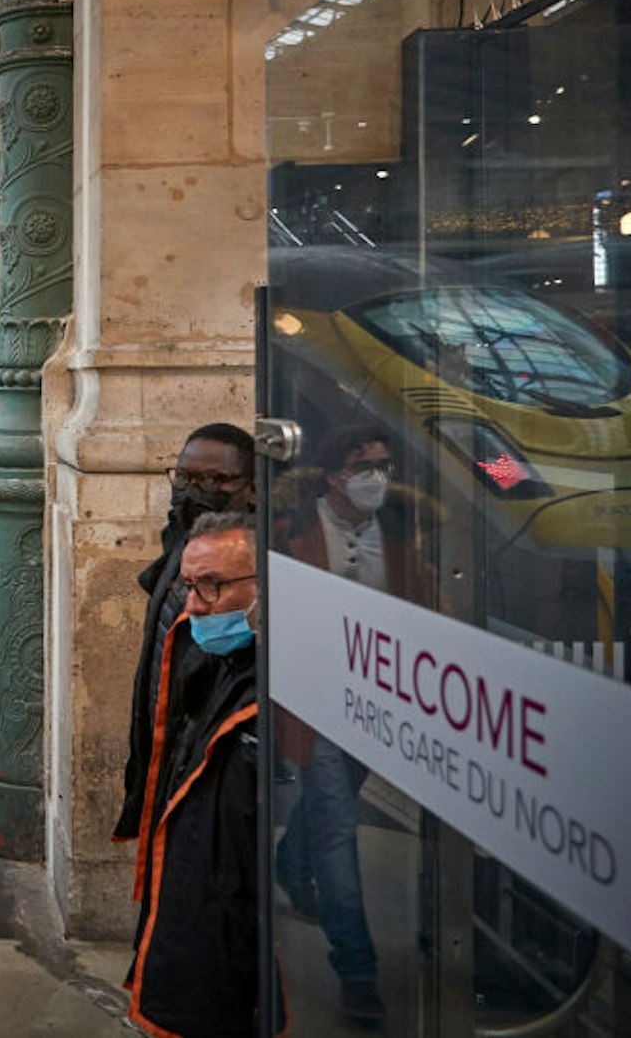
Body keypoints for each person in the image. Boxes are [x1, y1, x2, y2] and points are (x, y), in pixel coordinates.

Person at [272, 424, 427, 1027]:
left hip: (378, 703)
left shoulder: (400, 533)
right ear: (335, 475)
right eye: (364, 466)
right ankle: (356, 968)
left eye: (385, 466)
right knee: (337, 825)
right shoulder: (292, 529)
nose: (376, 479)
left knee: (328, 803)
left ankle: (290, 862)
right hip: (316, 701)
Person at [126, 512, 263, 1038]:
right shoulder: (203, 656)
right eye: (189, 586)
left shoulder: (281, 699)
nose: (194, 605)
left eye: (213, 587)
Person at [115, 423, 255, 842]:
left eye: (215, 479)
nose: (196, 490)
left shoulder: (253, 565)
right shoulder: (184, 542)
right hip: (166, 754)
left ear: (252, 488)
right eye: (187, 478)